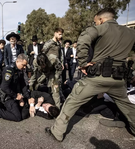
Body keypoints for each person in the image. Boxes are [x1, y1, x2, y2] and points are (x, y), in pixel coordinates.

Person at [46, 8, 135, 142]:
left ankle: (57, 132)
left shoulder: (100, 29)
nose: (96, 24)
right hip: (119, 80)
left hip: (97, 78)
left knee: (71, 102)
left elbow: (83, 40)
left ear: (101, 19)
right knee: (127, 106)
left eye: (96, 22)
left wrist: (82, 63)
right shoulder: (131, 32)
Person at [0, 54, 30, 124]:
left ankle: (3, 108)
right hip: (6, 96)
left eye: (25, 65)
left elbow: (22, 84)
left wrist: (28, 97)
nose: (24, 67)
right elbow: (4, 87)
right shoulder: (9, 70)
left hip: (13, 94)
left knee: (23, 110)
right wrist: (16, 96)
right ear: (17, 61)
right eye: (23, 65)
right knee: (18, 117)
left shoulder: (20, 70)